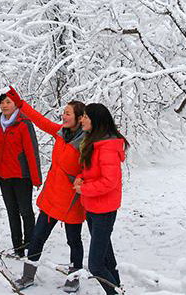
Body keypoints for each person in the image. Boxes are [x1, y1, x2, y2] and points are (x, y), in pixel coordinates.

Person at [5, 87, 86, 293]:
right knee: (37, 238)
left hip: (71, 202)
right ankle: (28, 276)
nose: (63, 116)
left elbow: (92, 169)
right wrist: (21, 104)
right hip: (51, 198)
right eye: (63, 112)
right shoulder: (61, 133)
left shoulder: (86, 143)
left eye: (68, 113)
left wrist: (82, 178)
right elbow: (40, 121)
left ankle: (74, 277)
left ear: (79, 118)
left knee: (73, 241)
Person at [73, 103, 129, 295]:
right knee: (106, 256)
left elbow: (109, 181)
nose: (82, 119)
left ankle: (115, 293)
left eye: (86, 117)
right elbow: (92, 171)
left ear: (96, 121)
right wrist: (81, 177)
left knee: (96, 265)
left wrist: (84, 189)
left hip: (104, 210)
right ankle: (118, 288)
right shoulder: (94, 142)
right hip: (92, 207)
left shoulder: (106, 147)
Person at [0, 92, 42, 257]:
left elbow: (32, 151)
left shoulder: (23, 123)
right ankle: (18, 249)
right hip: (4, 176)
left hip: (22, 176)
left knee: (26, 211)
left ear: (15, 104)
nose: (4, 105)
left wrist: (36, 178)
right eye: (2, 103)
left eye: (8, 102)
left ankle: (31, 248)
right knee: (12, 212)